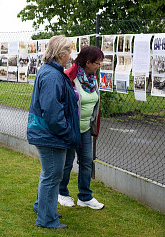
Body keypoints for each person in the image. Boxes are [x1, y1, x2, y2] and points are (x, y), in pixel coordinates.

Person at [27, 35, 80, 229]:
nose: (70, 56)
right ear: (62, 53)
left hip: (49, 133)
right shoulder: (52, 75)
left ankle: (43, 207)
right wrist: (67, 132)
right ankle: (46, 219)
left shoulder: (51, 71)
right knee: (52, 175)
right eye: (69, 52)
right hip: (50, 134)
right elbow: (51, 110)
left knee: (51, 174)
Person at [58, 46, 105, 209]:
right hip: (71, 128)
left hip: (85, 128)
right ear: (88, 62)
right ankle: (62, 193)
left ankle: (85, 196)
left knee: (86, 161)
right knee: (67, 162)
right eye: (97, 63)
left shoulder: (93, 79)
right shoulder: (69, 77)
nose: (99, 66)